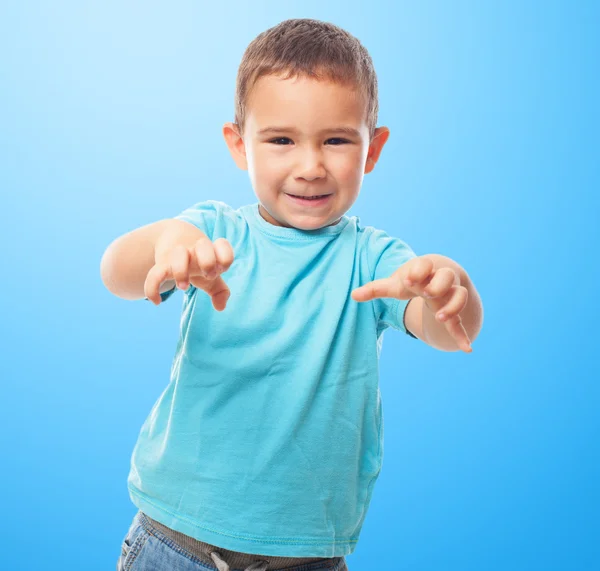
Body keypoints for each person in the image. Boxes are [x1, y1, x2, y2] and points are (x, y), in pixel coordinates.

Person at [101, 18, 483, 571]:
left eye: (336, 140)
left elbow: (451, 331)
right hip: (172, 541)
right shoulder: (211, 232)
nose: (310, 167)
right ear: (239, 144)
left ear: (372, 149)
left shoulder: (376, 261)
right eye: (281, 140)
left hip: (304, 557)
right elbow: (115, 271)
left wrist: (450, 286)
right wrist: (168, 240)